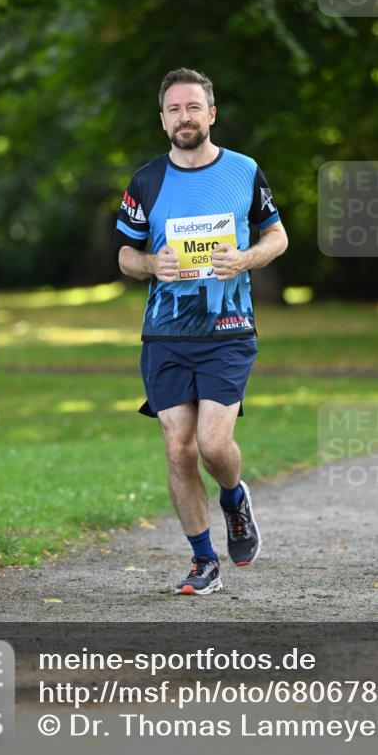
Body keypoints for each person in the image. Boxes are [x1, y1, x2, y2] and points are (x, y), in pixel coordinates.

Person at [116, 67, 288, 595]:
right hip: (165, 333)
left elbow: (277, 236)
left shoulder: (244, 171)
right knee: (178, 448)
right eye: (174, 109)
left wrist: (245, 259)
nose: (184, 117)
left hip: (228, 329)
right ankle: (202, 560)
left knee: (213, 445)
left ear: (211, 114)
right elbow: (125, 254)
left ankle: (234, 498)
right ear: (162, 118)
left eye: (193, 107)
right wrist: (151, 265)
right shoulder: (146, 180)